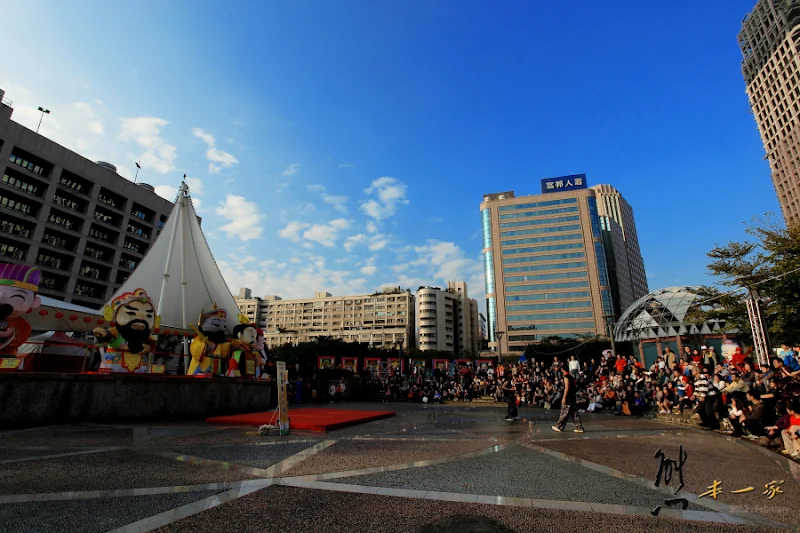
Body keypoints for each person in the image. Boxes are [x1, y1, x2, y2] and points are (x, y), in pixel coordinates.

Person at [553, 365, 584, 432]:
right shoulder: (571, 377)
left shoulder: (566, 377)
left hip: (568, 397)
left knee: (565, 412)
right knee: (574, 412)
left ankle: (559, 426)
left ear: (562, 369)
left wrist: (564, 397)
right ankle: (579, 427)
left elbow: (566, 388)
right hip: (572, 396)